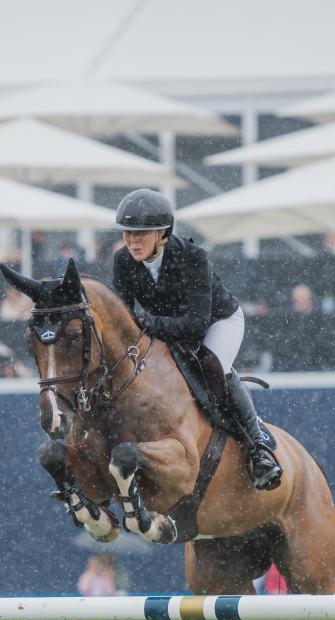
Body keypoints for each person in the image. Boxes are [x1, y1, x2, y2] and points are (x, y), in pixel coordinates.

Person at [110, 189, 282, 490]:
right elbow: (123, 315)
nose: (132, 241)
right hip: (166, 327)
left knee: (214, 365)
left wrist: (150, 324)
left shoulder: (192, 257)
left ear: (162, 234)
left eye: (141, 234)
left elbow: (196, 324)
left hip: (217, 321)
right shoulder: (123, 261)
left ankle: (258, 446)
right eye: (128, 233)